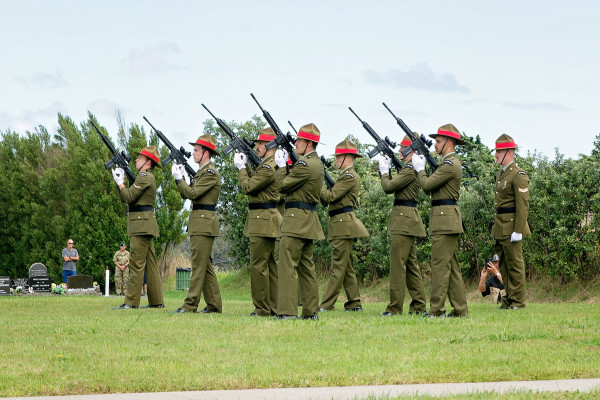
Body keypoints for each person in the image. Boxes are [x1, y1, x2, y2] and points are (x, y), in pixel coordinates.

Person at [412, 124, 468, 317]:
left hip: (445, 220)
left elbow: (427, 185)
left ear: (449, 142)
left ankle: (436, 310)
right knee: (451, 268)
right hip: (446, 219)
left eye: (438, 141)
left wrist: (419, 169)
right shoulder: (447, 164)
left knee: (440, 267)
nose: (435, 145)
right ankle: (460, 309)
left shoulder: (449, 164)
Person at [274, 123, 325, 320]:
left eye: (299, 141)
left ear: (308, 144)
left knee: (288, 265)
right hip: (308, 220)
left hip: (295, 221)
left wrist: (280, 167)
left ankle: (287, 311)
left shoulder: (305, 165)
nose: (296, 143)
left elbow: (282, 186)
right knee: (306, 267)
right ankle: (310, 311)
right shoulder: (316, 164)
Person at [170, 134, 223, 314]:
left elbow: (192, 194)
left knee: (198, 266)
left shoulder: (210, 173)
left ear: (205, 154)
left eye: (196, 150)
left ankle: (190, 305)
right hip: (199, 222)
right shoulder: (202, 172)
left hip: (203, 224)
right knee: (205, 266)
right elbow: (187, 194)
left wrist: (179, 179)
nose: (193, 153)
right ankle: (214, 305)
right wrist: (181, 179)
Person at [233, 127, 282, 317]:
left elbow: (248, 187)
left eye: (261, 143)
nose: (257, 146)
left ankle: (262, 308)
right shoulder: (268, 164)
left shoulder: (269, 166)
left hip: (263, 220)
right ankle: (274, 307)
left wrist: (242, 168)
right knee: (270, 266)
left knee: (259, 266)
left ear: (270, 145)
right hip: (266, 219)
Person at [379, 135, 427, 316]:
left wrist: (384, 171)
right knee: (411, 266)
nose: (400, 151)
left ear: (411, 150)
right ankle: (419, 306)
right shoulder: (409, 169)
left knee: (398, 265)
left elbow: (388, 187)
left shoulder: (408, 170)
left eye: (403, 148)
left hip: (403, 220)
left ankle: (395, 308)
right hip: (406, 219)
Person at [318, 139, 369, 312]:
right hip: (341, 224)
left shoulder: (349, 176)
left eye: (338, 157)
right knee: (346, 267)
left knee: (338, 266)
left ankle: (326, 304)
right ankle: (354, 302)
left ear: (347, 158)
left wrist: (316, 181)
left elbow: (330, 197)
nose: (336, 160)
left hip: (343, 224)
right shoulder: (344, 176)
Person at [111, 146, 164, 309]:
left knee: (136, 263)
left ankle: (131, 302)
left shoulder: (144, 177)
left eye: (140, 158)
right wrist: (122, 183)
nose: (136, 160)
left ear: (148, 162)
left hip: (141, 225)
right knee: (150, 265)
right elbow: (128, 198)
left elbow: (127, 196)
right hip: (144, 224)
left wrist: (120, 183)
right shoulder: (145, 177)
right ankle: (156, 301)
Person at [492, 134, 530, 309]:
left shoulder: (518, 174)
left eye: (499, 151)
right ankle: (507, 299)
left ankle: (518, 301)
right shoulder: (501, 173)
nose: (496, 155)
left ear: (509, 152)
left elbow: (522, 205)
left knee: (515, 264)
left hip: (512, 225)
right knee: (504, 265)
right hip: (501, 225)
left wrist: (518, 229)